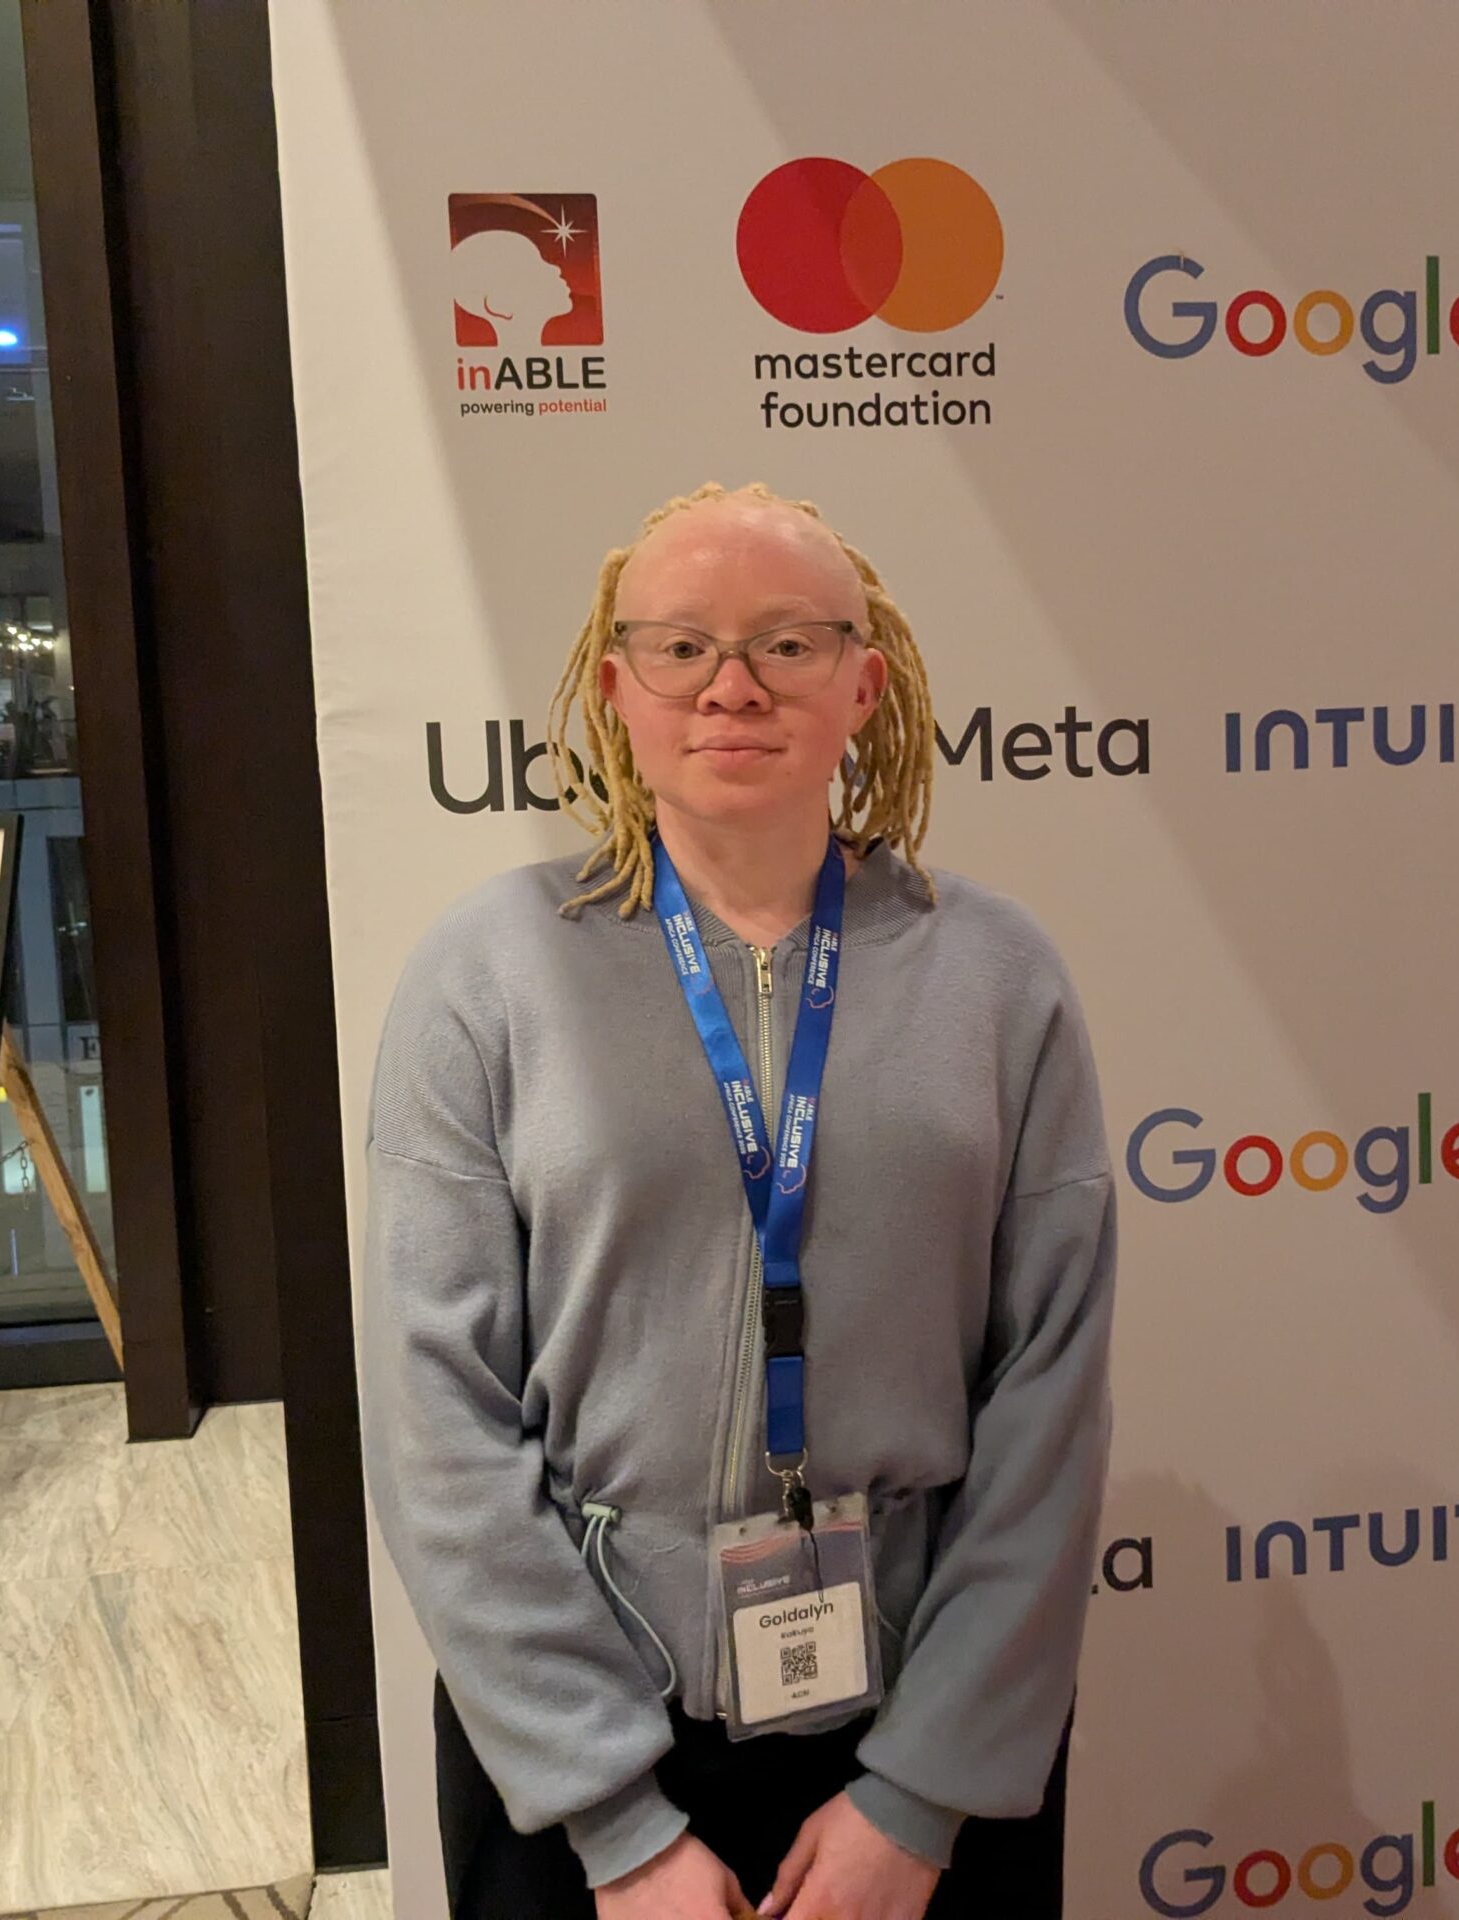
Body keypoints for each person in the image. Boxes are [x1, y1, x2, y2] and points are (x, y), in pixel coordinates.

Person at [361, 483, 1116, 1920]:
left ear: (864, 682)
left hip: (917, 1756)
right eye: (681, 645)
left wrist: (922, 1795)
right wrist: (611, 1822)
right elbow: (433, 1416)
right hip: (588, 1756)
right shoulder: (484, 979)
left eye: (788, 643)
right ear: (613, 685)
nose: (733, 686)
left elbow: (1050, 1401)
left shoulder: (1002, 982)